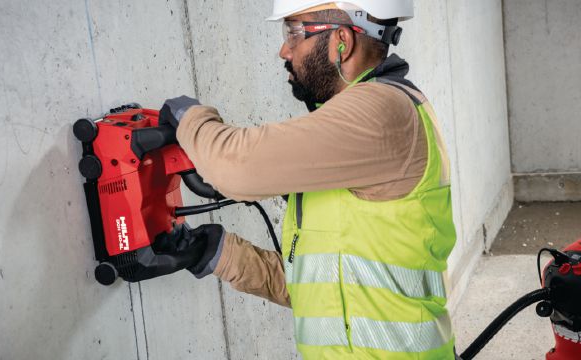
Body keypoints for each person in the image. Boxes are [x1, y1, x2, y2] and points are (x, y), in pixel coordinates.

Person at [156, 1, 458, 358]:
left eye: (294, 32)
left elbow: (235, 167)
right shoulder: (361, 131)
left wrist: (191, 119)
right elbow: (330, 290)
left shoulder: (382, 112)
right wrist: (223, 256)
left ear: (341, 41)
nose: (284, 49)